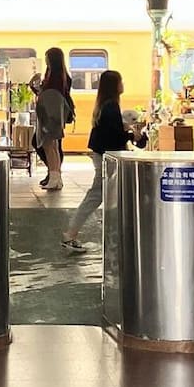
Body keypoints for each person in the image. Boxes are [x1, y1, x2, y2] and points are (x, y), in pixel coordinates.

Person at [62, 70, 143, 250]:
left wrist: (127, 132)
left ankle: (75, 232)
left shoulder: (106, 105)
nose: (123, 84)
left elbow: (110, 131)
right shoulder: (111, 106)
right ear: (115, 85)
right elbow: (113, 136)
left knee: (103, 194)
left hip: (102, 154)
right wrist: (130, 134)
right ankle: (71, 233)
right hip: (106, 156)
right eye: (121, 81)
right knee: (97, 194)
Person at [35, 47, 72, 191]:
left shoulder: (53, 77)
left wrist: (37, 86)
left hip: (49, 116)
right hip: (57, 116)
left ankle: (54, 177)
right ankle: (56, 177)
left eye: (47, 58)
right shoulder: (63, 77)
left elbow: (47, 95)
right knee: (54, 147)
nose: (45, 61)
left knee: (49, 146)